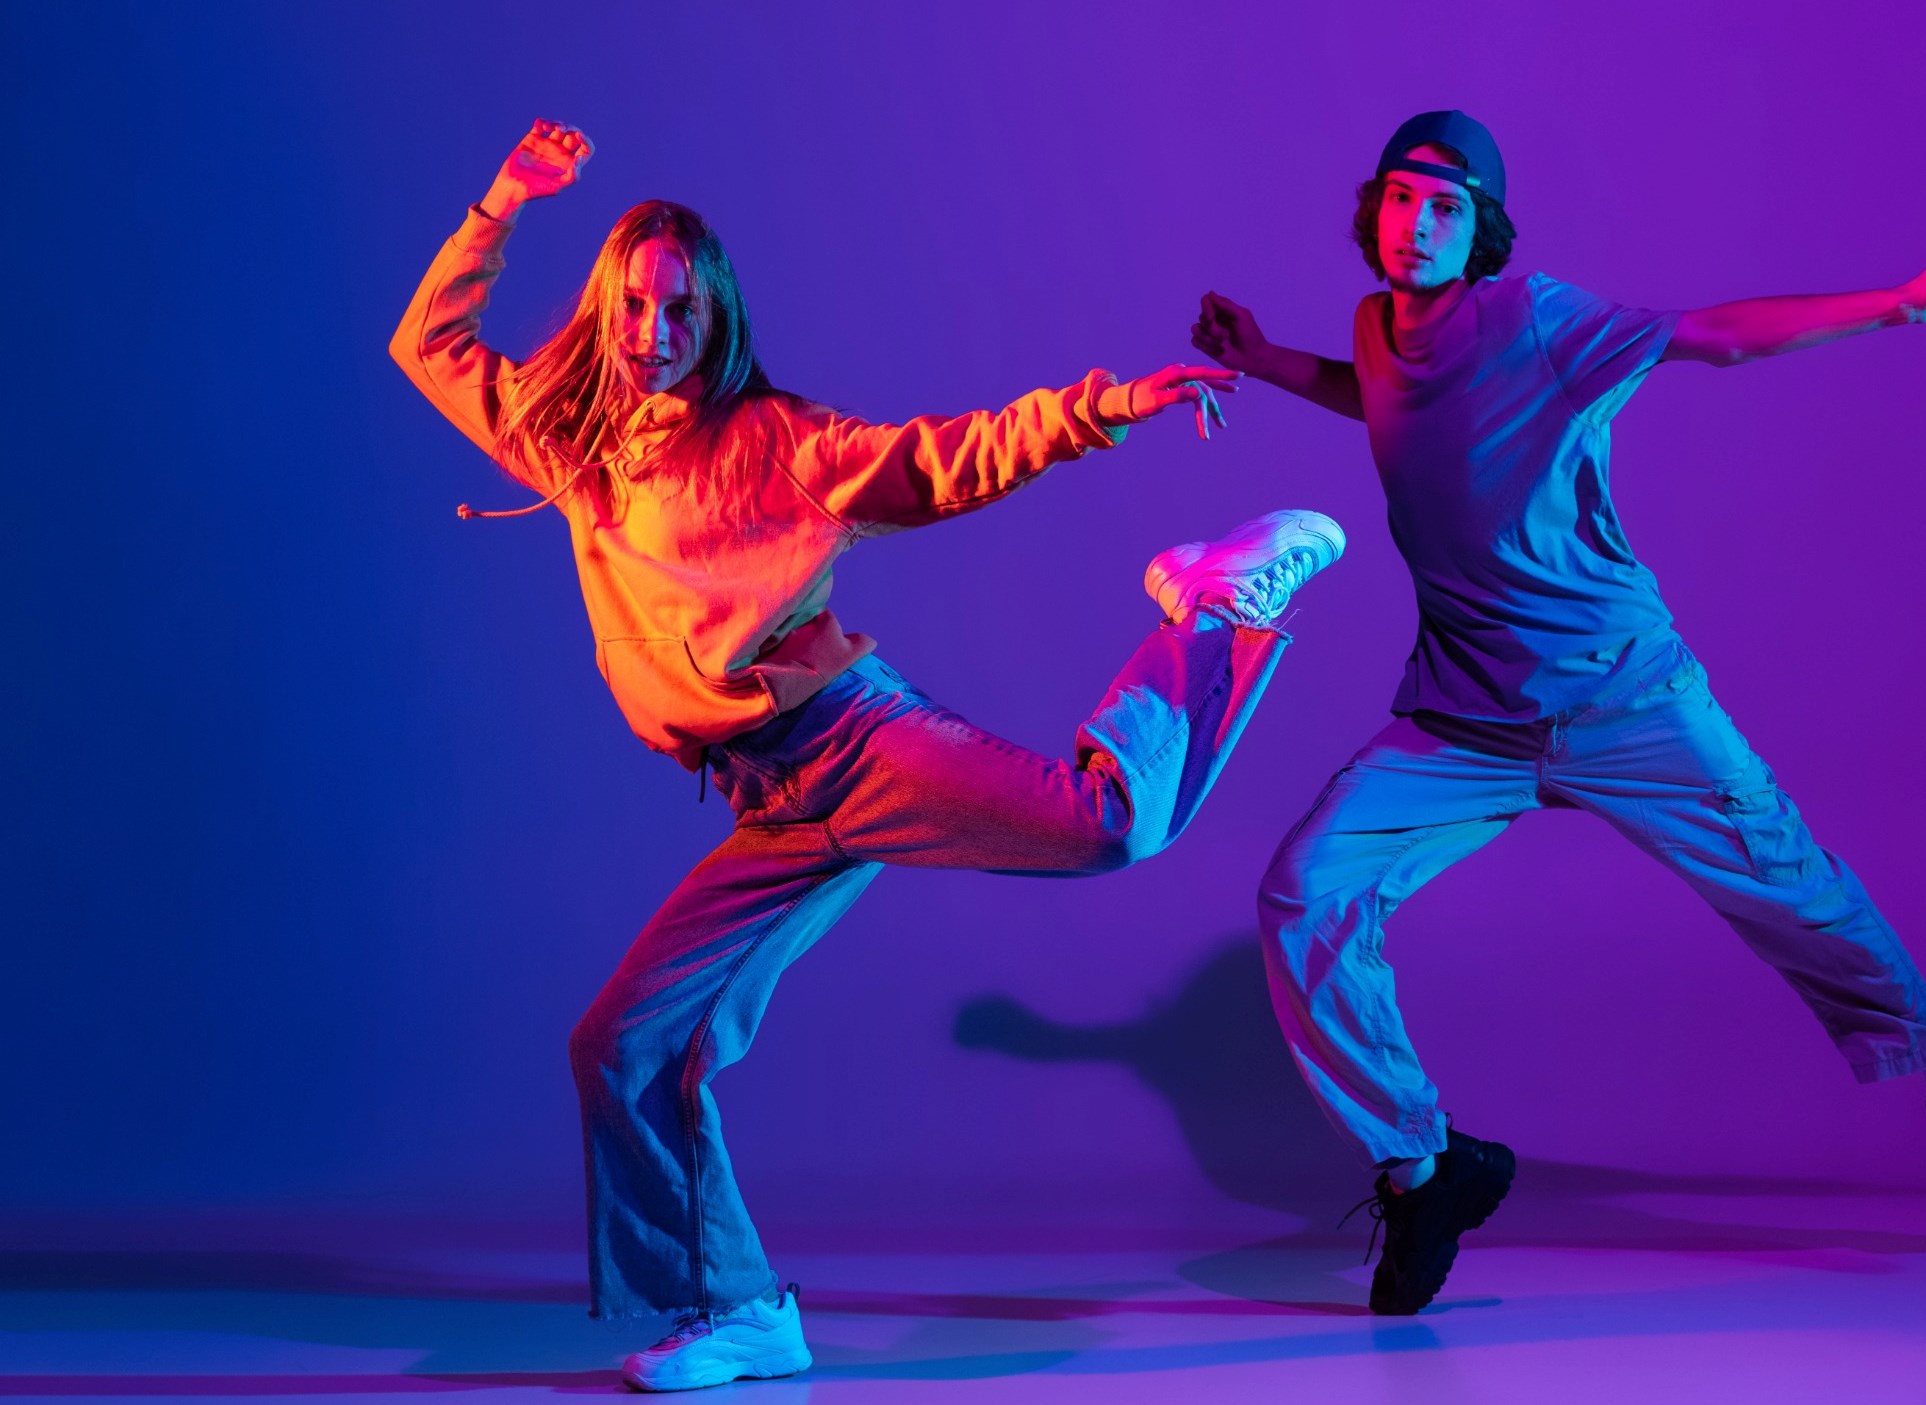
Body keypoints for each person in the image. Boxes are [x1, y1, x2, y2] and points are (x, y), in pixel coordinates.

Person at [392, 120, 1345, 1390]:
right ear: (606, 311)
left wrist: (1106, 406)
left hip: (853, 743)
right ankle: (742, 1309)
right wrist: (505, 199)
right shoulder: (573, 447)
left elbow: (947, 458)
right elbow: (432, 345)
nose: (654, 332)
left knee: (1107, 822)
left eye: (680, 310)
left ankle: (1211, 608)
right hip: (769, 806)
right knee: (622, 1043)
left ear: (716, 319)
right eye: (635, 307)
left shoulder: (777, 441)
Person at [1192, 110, 1926, 1317]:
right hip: (1464, 721)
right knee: (1304, 890)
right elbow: (1382, 399)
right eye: (1402, 199)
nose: (1418, 224)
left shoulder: (1537, 318)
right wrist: (1267, 359)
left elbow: (1712, 337)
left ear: (1481, 230)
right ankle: (1424, 1169)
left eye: (1446, 208)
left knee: (1794, 888)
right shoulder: (1376, 327)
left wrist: (1897, 303)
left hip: (1623, 696)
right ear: (1373, 209)